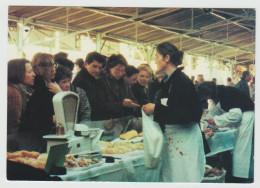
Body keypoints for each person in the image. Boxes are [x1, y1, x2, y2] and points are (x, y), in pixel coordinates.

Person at [142, 42, 205, 182]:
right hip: (174, 139)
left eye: (157, 56)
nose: (155, 60)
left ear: (167, 58)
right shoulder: (169, 81)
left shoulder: (182, 81)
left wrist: (155, 108)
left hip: (184, 139)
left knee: (183, 178)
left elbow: (187, 114)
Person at [196, 81, 254, 183]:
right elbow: (217, 110)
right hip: (246, 116)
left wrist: (216, 120)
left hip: (247, 117)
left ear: (209, 93)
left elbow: (236, 115)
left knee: (242, 149)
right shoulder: (221, 91)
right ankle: (245, 175)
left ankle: (240, 178)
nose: (208, 99)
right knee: (244, 150)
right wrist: (206, 121)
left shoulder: (225, 93)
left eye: (207, 97)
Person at [19, 53, 61, 152]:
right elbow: (34, 116)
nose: (53, 69)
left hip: (36, 136)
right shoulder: (40, 87)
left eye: (53, 65)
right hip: (36, 138)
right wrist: (51, 118)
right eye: (49, 65)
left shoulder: (46, 84)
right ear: (40, 68)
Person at [98, 54, 139, 120]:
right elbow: (101, 106)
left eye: (123, 71)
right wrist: (121, 104)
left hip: (123, 120)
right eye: (117, 70)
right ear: (109, 68)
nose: (120, 74)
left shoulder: (125, 83)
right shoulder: (101, 82)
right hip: (106, 121)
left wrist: (132, 104)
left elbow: (132, 99)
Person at [7, 59, 35, 152]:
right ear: (18, 73)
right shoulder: (14, 92)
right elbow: (13, 124)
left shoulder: (23, 90)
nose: (34, 74)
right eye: (29, 72)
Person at [72, 52, 106, 120]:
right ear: (85, 64)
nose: (97, 70)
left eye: (99, 68)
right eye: (94, 66)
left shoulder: (91, 78)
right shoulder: (81, 81)